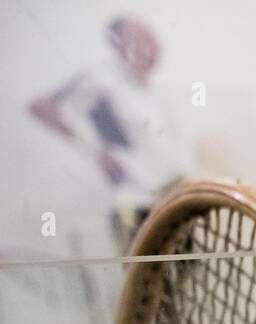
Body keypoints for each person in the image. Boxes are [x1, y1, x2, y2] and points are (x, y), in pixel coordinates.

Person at [28, 16, 187, 252]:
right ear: (119, 44)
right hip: (134, 204)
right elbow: (41, 106)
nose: (150, 45)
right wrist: (96, 151)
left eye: (151, 38)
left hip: (171, 202)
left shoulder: (152, 92)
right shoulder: (101, 79)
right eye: (139, 38)